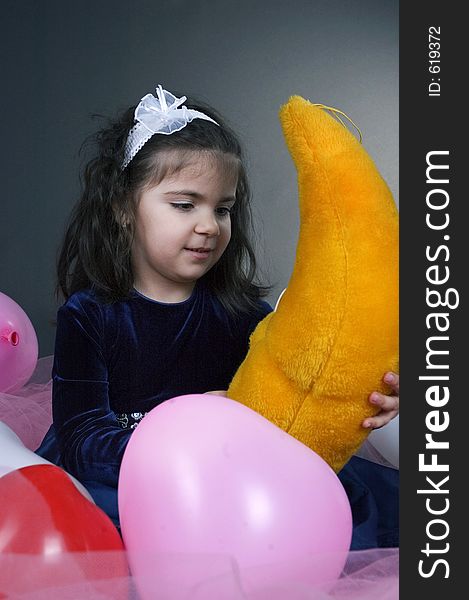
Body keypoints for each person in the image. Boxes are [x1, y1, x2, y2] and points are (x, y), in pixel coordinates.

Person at [36, 85, 399, 544]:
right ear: (124, 209)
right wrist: (192, 429)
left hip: (239, 473)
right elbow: (84, 442)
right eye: (185, 204)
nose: (209, 225)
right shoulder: (89, 316)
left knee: (360, 498)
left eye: (222, 209)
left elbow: (299, 389)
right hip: (131, 478)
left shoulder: (242, 312)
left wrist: (368, 394)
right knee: (122, 526)